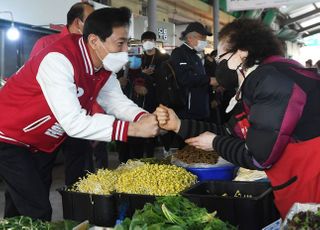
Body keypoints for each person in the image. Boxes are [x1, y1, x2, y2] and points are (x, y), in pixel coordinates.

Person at [0, 7, 159, 221]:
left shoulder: (102, 66)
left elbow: (116, 101)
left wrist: (144, 117)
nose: (124, 51)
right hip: (10, 136)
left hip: (42, 141)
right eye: (120, 43)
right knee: (36, 209)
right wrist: (132, 129)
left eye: (126, 43)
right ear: (94, 41)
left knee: (21, 203)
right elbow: (74, 123)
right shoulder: (59, 59)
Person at [155, 18, 320, 219]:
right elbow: (229, 132)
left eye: (222, 56)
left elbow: (258, 156)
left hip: (311, 183)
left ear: (242, 53)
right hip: (299, 180)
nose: (219, 64)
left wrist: (215, 143)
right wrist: (179, 125)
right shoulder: (262, 79)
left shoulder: (271, 81)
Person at [30, 2, 96, 184]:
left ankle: (76, 211)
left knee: (80, 179)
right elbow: (35, 84)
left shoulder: (91, 52)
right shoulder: (46, 44)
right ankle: (33, 214)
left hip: (78, 121)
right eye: (92, 20)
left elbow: (94, 89)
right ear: (78, 22)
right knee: (39, 176)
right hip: (48, 123)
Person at [126, 31, 170, 160]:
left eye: (149, 40)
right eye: (144, 40)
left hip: (159, 96)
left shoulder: (164, 58)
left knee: (160, 123)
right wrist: (143, 73)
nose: (147, 43)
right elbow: (131, 76)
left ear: (154, 41)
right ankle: (139, 156)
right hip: (142, 98)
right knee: (143, 122)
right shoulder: (138, 58)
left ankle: (157, 152)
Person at [170, 22, 214, 121]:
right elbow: (184, 78)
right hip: (188, 110)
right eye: (202, 37)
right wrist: (209, 80)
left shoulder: (195, 55)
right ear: (190, 38)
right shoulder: (179, 53)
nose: (204, 41)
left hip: (200, 107)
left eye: (205, 38)